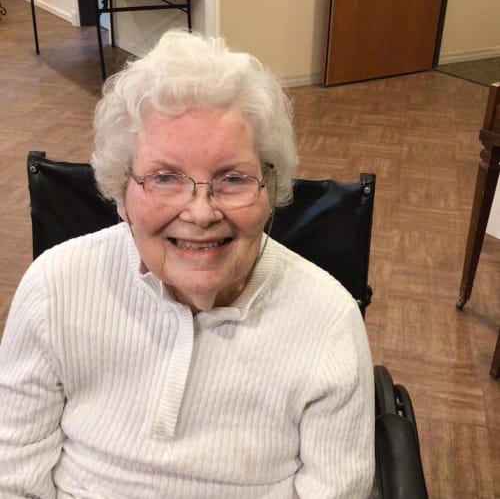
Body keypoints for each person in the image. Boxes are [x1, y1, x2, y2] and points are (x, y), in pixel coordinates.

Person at [0, 30, 374, 498]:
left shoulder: (329, 321)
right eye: (164, 178)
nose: (200, 213)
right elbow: (13, 479)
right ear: (121, 192)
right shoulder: (53, 287)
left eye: (233, 178)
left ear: (270, 192)